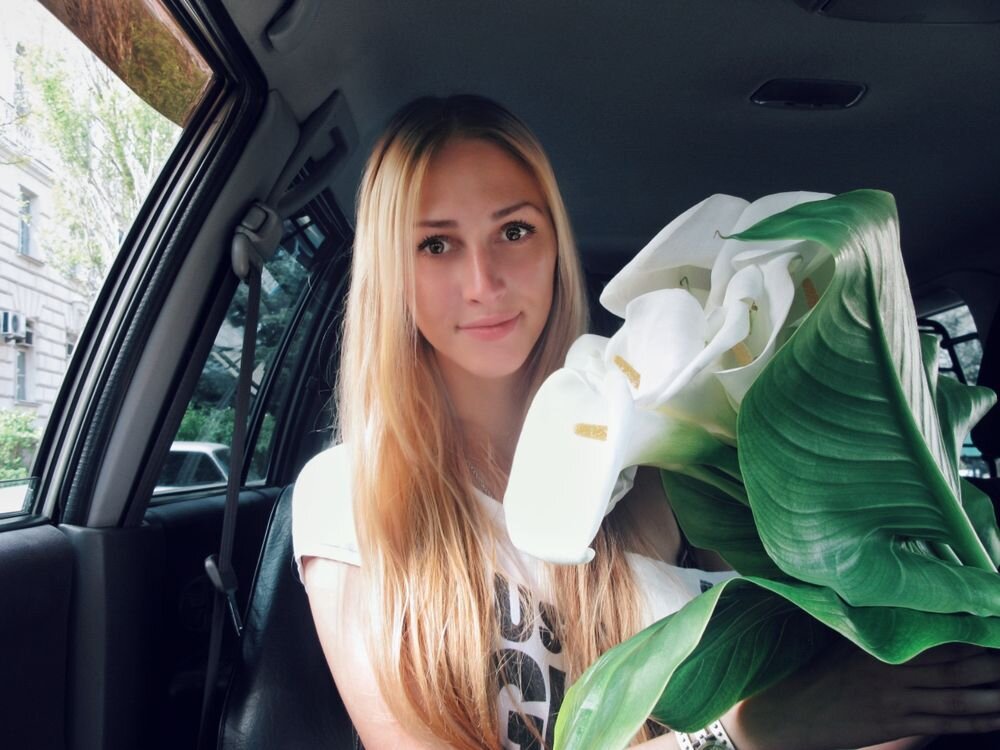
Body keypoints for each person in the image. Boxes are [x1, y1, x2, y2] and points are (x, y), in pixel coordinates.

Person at [292, 94, 1000, 750]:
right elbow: (783, 723)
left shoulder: (667, 469)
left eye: (514, 230)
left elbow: (831, 697)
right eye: (436, 244)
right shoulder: (352, 497)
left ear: (554, 247)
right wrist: (738, 735)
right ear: (389, 269)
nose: (483, 283)